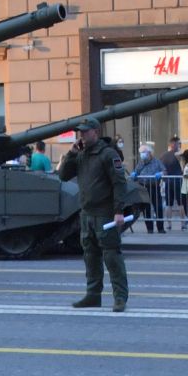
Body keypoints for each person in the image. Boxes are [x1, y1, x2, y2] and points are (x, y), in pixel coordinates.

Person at [57, 116, 138, 311]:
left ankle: (120, 298)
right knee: (90, 257)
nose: (82, 135)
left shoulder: (108, 154)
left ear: (96, 131)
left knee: (111, 257)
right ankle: (93, 295)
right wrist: (71, 154)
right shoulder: (81, 153)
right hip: (86, 214)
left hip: (105, 214)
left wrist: (119, 211)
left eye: (85, 131)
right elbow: (63, 176)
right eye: (80, 132)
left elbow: (119, 184)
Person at [131, 143, 166, 233]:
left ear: (149, 153)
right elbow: (136, 172)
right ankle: (149, 228)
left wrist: (160, 174)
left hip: (154, 187)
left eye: (143, 152)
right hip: (143, 187)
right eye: (141, 152)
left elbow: (165, 171)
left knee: (158, 207)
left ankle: (160, 228)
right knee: (146, 209)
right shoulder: (140, 163)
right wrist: (134, 175)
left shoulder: (157, 162)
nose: (142, 154)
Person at [162, 135, 184, 225]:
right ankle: (183, 224)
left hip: (168, 181)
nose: (180, 145)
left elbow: (163, 170)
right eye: (179, 143)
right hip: (178, 181)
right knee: (181, 203)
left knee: (168, 204)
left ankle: (169, 225)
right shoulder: (181, 155)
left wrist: (164, 181)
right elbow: (185, 167)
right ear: (174, 144)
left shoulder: (164, 155)